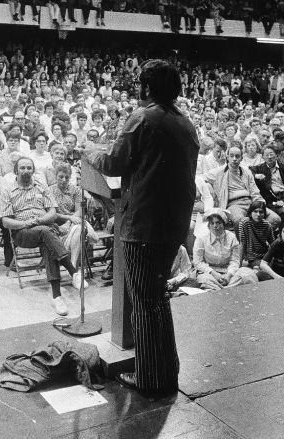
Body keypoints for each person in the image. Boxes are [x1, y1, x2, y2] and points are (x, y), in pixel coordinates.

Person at [85, 59, 199, 396]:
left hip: (144, 226)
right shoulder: (186, 122)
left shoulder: (143, 117)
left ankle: (150, 379)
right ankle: (166, 372)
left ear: (146, 87)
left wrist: (90, 152)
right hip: (173, 224)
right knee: (158, 300)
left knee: (144, 304)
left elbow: (115, 162)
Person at [0, 157, 80, 316]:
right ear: (16, 170)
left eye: (29, 168)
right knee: (45, 232)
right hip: (23, 233)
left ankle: (56, 297)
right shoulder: (8, 190)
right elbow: (6, 221)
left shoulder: (41, 187)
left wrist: (40, 220)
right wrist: (26, 224)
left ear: (33, 170)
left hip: (45, 227)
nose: (26, 171)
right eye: (22, 168)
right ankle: (73, 271)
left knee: (47, 242)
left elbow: (52, 212)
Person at [192, 209, 255, 290]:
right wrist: (213, 273)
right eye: (212, 223)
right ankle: (228, 290)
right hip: (210, 272)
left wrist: (228, 275)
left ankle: (219, 290)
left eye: (218, 223)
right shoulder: (201, 239)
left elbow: (235, 261)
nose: (215, 226)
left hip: (228, 272)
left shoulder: (232, 237)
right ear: (208, 225)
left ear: (224, 224)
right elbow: (198, 262)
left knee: (247, 274)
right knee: (205, 280)